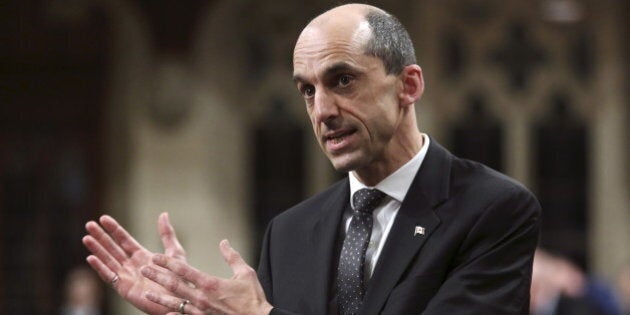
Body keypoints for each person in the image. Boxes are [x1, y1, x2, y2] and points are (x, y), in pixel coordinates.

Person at [82, 3, 541, 314]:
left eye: (342, 80)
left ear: (409, 85)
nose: (322, 111)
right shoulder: (289, 233)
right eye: (307, 90)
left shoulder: (493, 210)